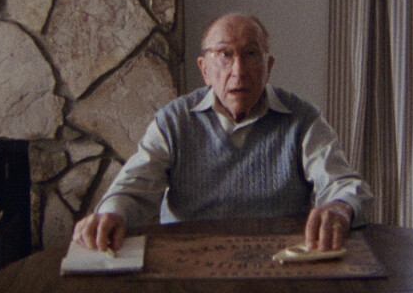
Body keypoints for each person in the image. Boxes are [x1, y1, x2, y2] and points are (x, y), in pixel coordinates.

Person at [73, 13, 373, 253]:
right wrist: (111, 213)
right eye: (225, 54)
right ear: (204, 69)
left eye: (251, 54)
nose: (238, 71)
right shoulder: (174, 121)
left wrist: (339, 207)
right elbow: (133, 188)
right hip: (190, 265)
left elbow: (344, 184)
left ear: (268, 66)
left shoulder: (302, 119)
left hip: (279, 263)